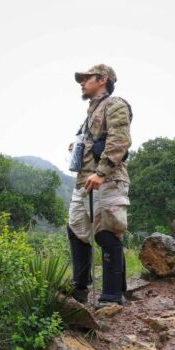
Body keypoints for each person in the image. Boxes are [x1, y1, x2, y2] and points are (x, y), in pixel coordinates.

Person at [67, 64, 132, 309]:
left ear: (102, 79)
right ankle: (79, 288)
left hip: (107, 179)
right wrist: (78, 147)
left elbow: (120, 140)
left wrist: (102, 172)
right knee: (76, 229)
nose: (82, 83)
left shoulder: (115, 104)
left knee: (107, 232)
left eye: (86, 78)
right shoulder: (90, 113)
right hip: (83, 181)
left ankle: (112, 296)